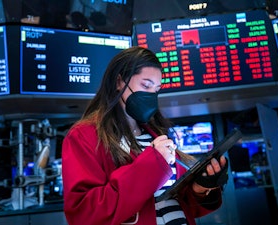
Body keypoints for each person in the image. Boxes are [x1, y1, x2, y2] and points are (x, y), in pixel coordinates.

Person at [62, 46, 228, 225]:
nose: (151, 95)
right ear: (119, 81)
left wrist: (201, 187)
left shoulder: (156, 134)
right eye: (145, 85)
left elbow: (180, 204)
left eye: (156, 89)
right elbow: (83, 214)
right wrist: (152, 163)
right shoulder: (84, 136)